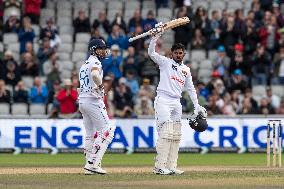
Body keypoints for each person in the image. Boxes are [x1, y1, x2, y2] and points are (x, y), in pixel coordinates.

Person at [148, 23, 207, 175]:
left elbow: (191, 89)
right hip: (163, 100)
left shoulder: (186, 70)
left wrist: (196, 106)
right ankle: (159, 166)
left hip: (176, 102)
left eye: (181, 53)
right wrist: (156, 37)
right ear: (172, 53)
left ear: (184, 54)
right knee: (166, 133)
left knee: (176, 134)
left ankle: (171, 166)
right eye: (176, 53)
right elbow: (151, 53)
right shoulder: (165, 62)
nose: (179, 55)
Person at [78, 39, 115, 175]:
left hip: (83, 101)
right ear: (94, 49)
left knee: (90, 134)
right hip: (93, 101)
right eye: (101, 48)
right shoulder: (95, 62)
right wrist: (100, 86)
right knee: (107, 131)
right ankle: (92, 163)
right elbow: (94, 74)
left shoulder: (84, 65)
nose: (104, 51)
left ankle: (89, 164)